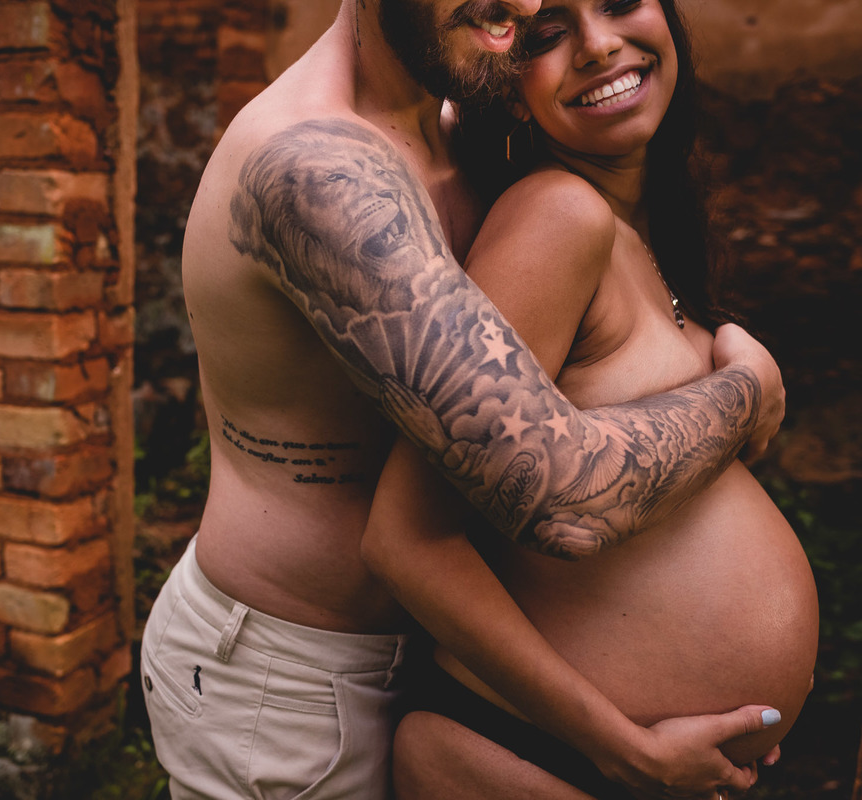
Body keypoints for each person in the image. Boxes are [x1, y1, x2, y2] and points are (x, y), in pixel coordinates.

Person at [140, 1, 789, 798]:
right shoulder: (317, 167)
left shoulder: (456, 120)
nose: (521, 5)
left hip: (430, 663)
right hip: (297, 677)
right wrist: (744, 393)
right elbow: (552, 491)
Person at [361, 0, 819, 797]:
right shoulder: (557, 217)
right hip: (538, 754)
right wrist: (623, 749)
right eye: (547, 36)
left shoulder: (643, 232)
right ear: (510, 92)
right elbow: (407, 540)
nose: (601, 45)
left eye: (618, 3)